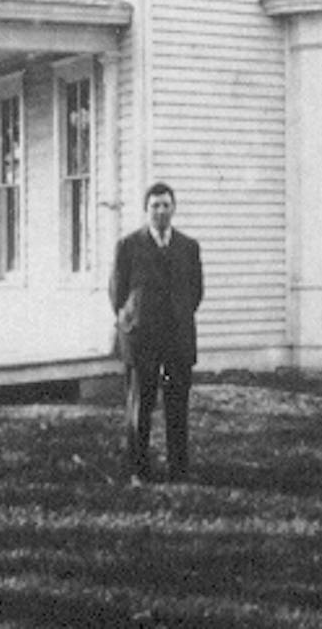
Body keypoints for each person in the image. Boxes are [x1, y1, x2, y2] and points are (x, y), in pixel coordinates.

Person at [110, 182, 204, 483]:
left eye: (166, 205)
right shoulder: (128, 246)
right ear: (146, 210)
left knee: (177, 405)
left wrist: (178, 315)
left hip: (177, 339)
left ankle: (179, 469)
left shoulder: (188, 247)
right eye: (155, 206)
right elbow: (117, 294)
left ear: (173, 208)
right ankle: (138, 469)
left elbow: (196, 292)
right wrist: (134, 322)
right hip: (143, 340)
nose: (161, 211)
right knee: (141, 406)